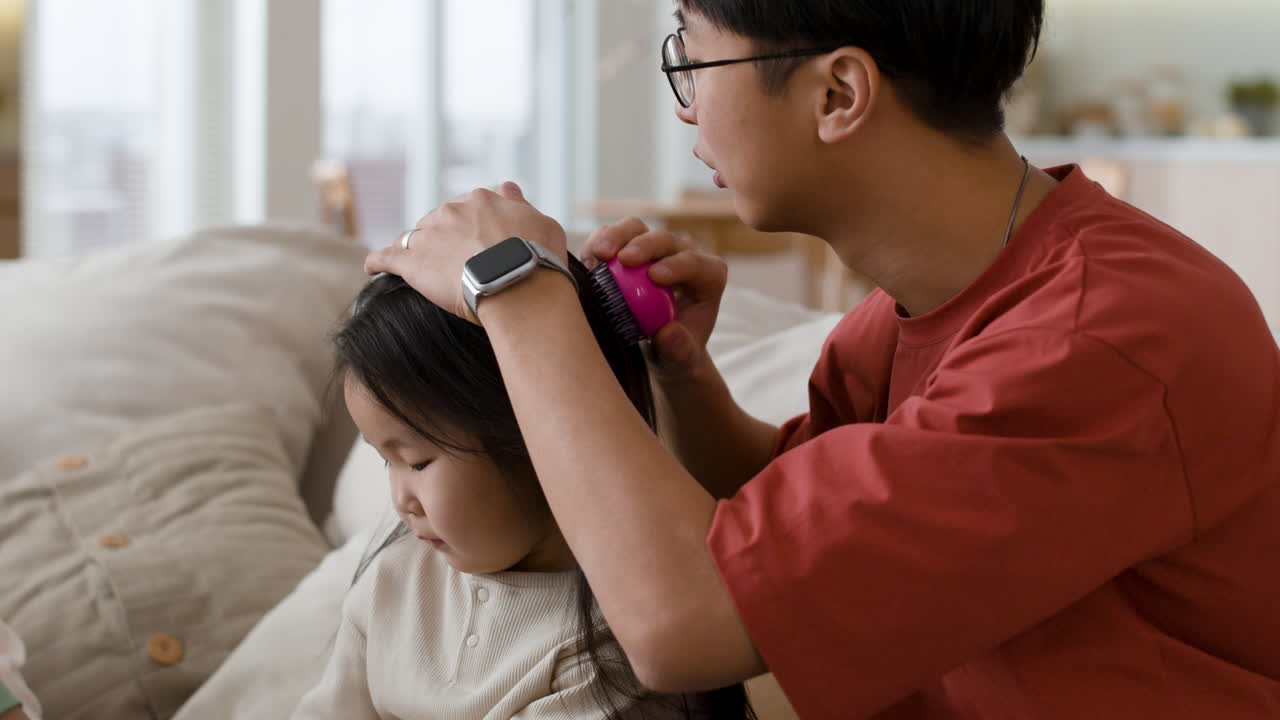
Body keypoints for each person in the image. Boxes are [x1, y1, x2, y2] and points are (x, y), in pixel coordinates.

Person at [364, 1, 1280, 718]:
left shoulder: (1102, 339)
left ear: (838, 94)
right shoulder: (913, 309)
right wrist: (679, 373)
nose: (685, 105)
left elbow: (688, 626)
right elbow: (798, 529)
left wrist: (518, 294)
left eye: (693, 53)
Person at [292, 261, 754, 719]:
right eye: (385, 460)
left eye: (417, 461)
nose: (400, 500)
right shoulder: (394, 578)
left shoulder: (610, 650)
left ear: (537, 437)